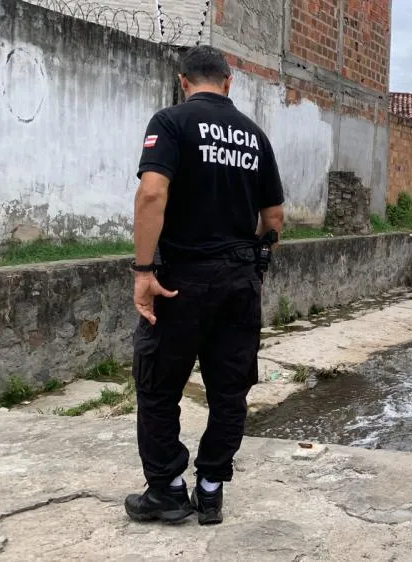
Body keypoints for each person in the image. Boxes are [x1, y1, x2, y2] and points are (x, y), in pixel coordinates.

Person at [124, 45, 284, 526]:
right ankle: (211, 489)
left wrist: (143, 271)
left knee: (158, 386)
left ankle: (169, 491)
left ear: (183, 81)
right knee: (229, 391)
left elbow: (153, 192)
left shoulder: (171, 122)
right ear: (229, 82)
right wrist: (249, 266)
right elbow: (273, 217)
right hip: (238, 282)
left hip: (180, 281)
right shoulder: (255, 136)